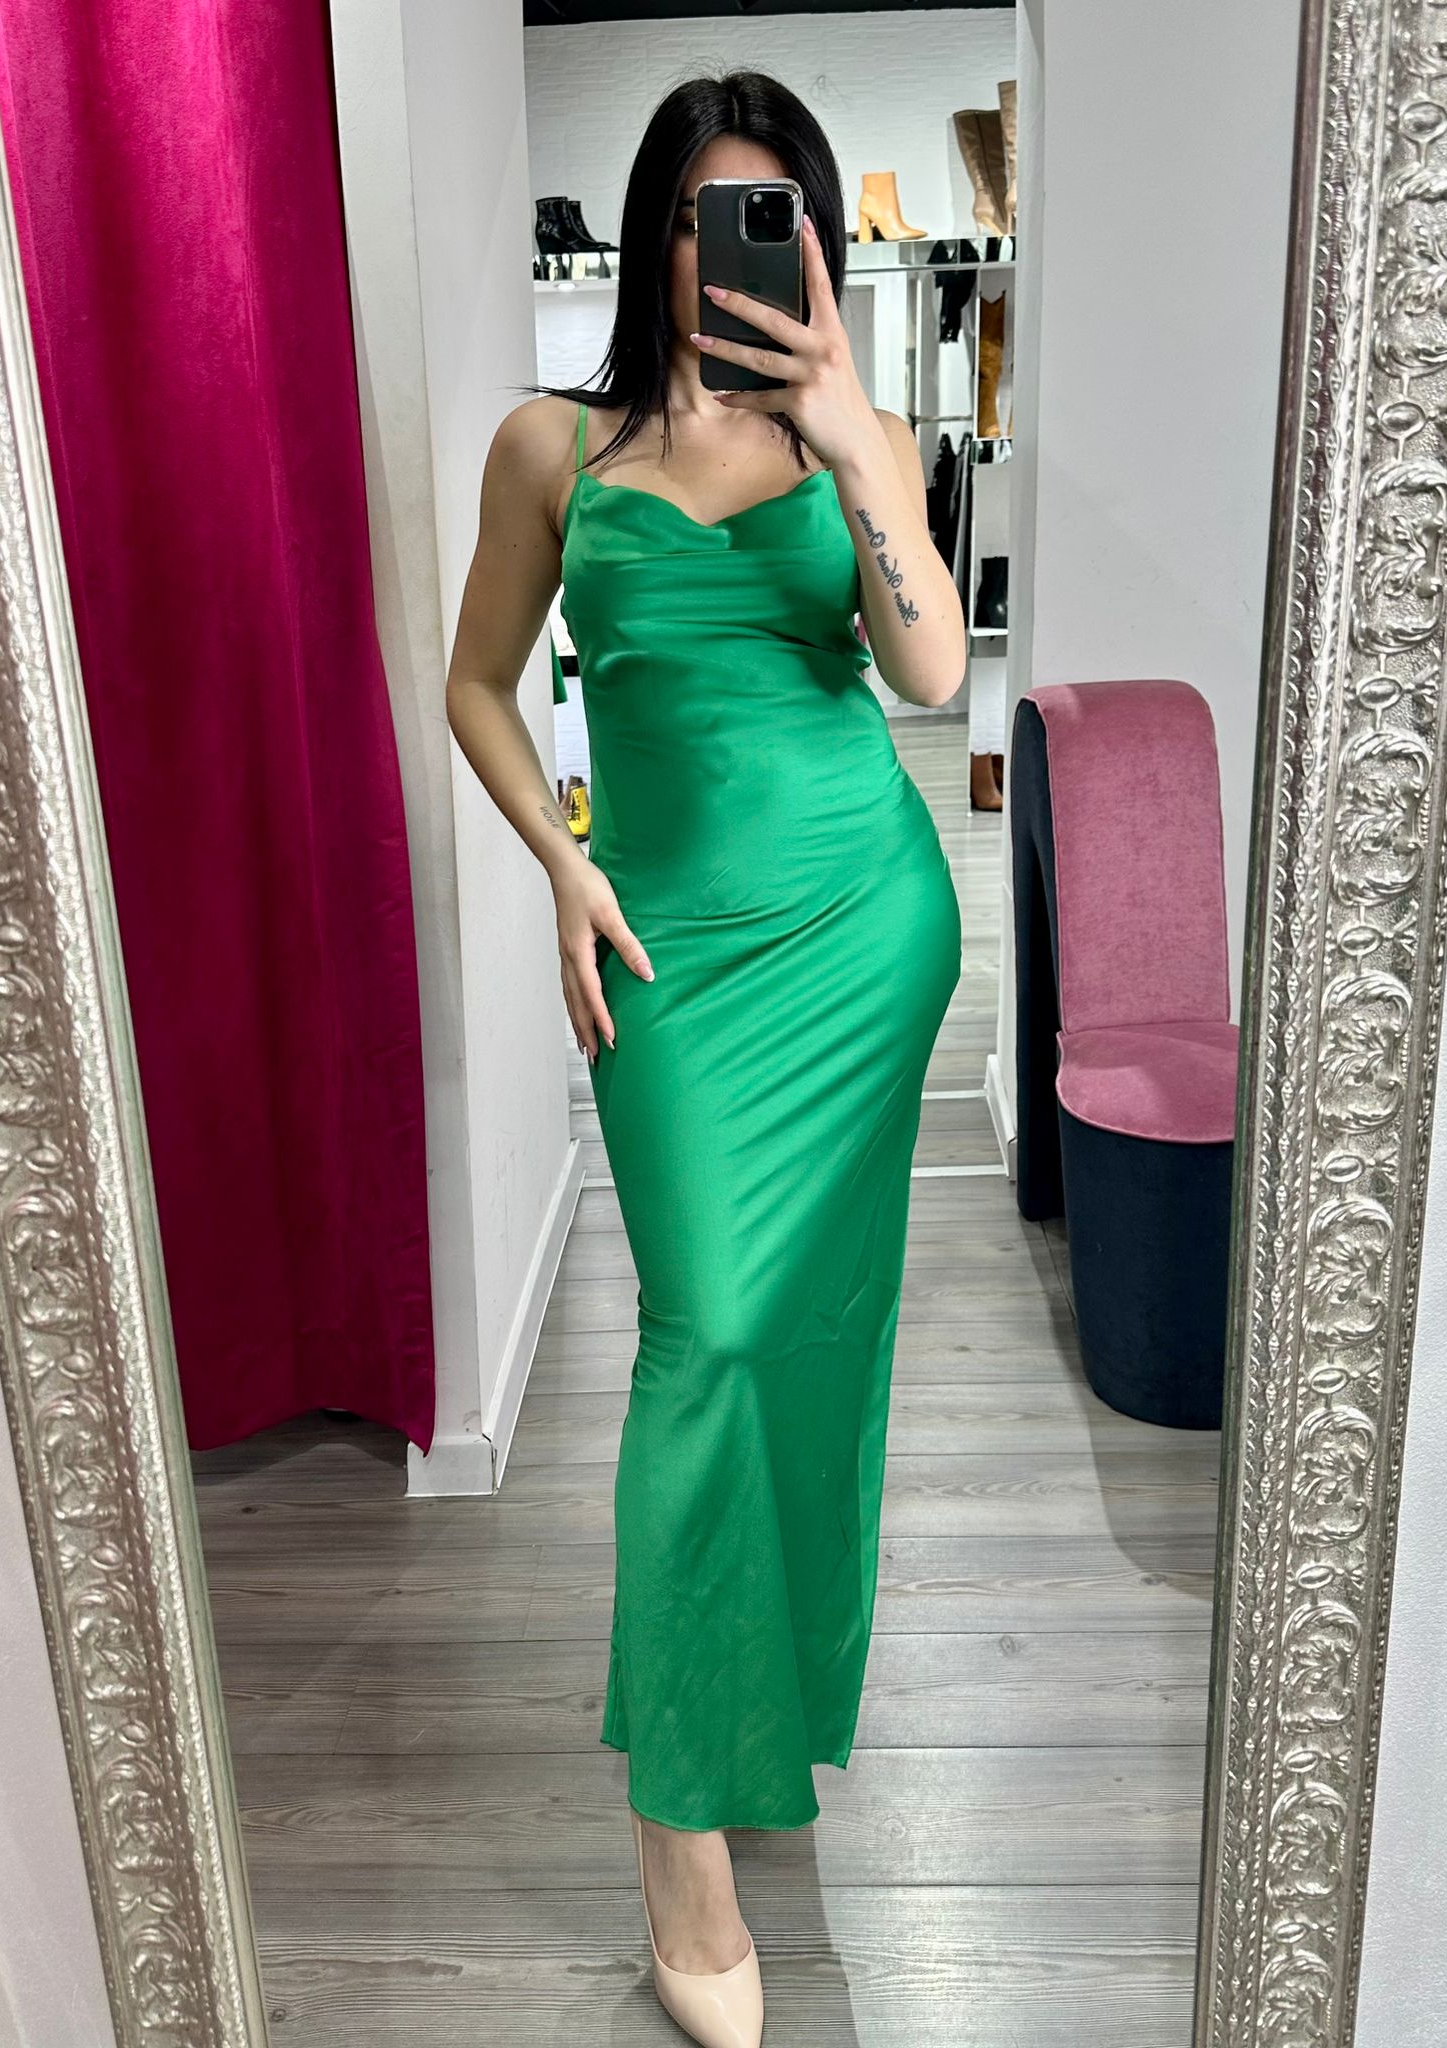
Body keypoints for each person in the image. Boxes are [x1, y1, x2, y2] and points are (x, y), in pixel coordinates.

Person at [445, 70, 965, 2047]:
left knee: (811, 1341)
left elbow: (930, 670)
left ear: (812, 242)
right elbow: (476, 684)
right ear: (647, 232)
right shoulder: (552, 450)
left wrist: (850, 431)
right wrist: (563, 865)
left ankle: (757, 1721)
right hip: (668, 952)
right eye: (690, 214)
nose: (718, 253)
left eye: (762, 217)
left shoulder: (857, 435)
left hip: (865, 925)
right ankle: (681, 1832)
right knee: (714, 1337)